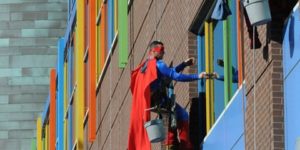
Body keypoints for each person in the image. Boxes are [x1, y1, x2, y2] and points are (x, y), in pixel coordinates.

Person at [128, 40, 206, 150]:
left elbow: (169, 72)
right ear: (153, 51)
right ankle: (183, 145)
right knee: (182, 114)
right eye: (161, 51)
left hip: (150, 101)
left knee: (174, 113)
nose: (163, 53)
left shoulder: (145, 66)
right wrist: (197, 76)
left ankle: (171, 143)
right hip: (158, 100)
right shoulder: (158, 64)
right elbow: (176, 76)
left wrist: (184, 64)